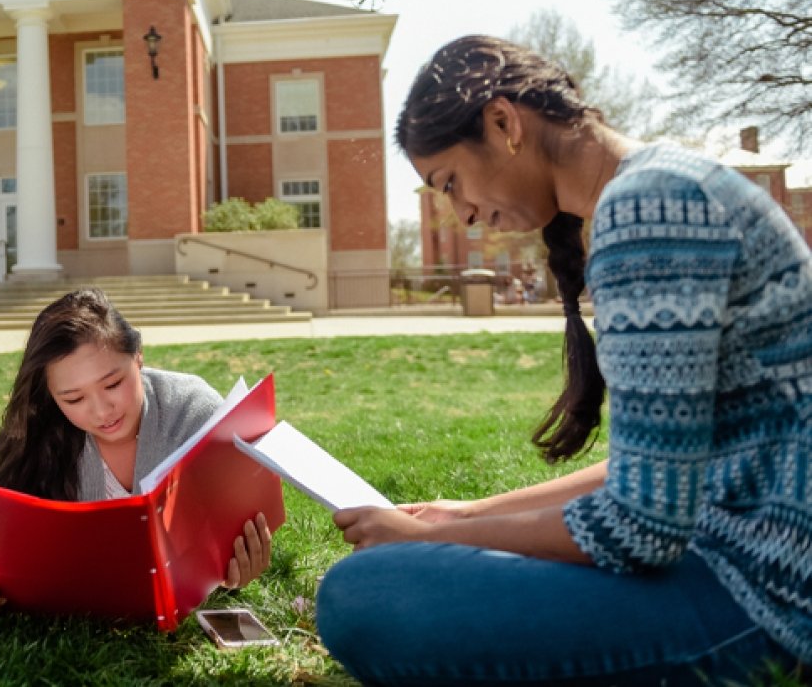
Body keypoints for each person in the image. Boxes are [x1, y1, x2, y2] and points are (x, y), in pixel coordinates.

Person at [315, 36, 811, 685]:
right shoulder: (668, 185)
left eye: (450, 182)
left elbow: (642, 525)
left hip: (766, 596)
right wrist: (467, 513)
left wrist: (421, 542)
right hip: (742, 561)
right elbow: (660, 466)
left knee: (363, 594)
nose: (462, 214)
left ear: (503, 123)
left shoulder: (649, 212)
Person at [0, 287, 273, 618]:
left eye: (112, 384)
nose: (101, 411)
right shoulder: (43, 435)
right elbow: (12, 546)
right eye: (73, 399)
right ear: (51, 395)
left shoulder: (195, 411)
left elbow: (230, 525)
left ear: (138, 356)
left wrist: (233, 566)